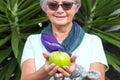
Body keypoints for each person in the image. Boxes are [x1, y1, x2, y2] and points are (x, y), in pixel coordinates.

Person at [20, 0, 109, 80]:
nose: (60, 10)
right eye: (52, 5)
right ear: (45, 8)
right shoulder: (33, 41)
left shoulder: (93, 41)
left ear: (76, 7)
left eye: (67, 5)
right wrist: (45, 71)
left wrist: (76, 71)